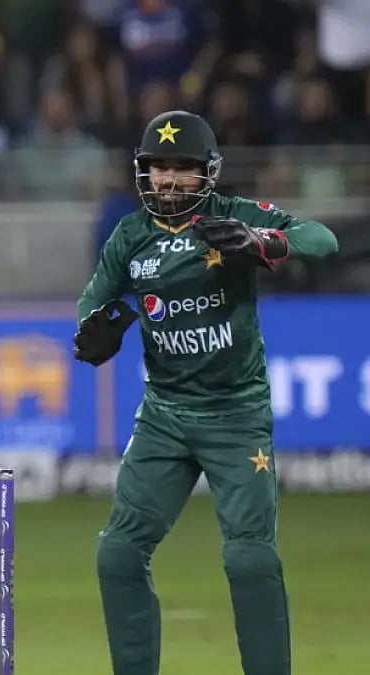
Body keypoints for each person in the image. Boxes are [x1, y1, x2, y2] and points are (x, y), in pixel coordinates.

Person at [73, 110, 339, 675]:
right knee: (118, 551)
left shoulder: (231, 216)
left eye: (182, 169)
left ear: (208, 172)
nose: (168, 181)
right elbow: (92, 306)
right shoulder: (130, 236)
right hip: (164, 418)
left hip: (236, 415)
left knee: (248, 557)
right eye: (158, 169)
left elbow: (322, 238)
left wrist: (260, 241)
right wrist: (98, 331)